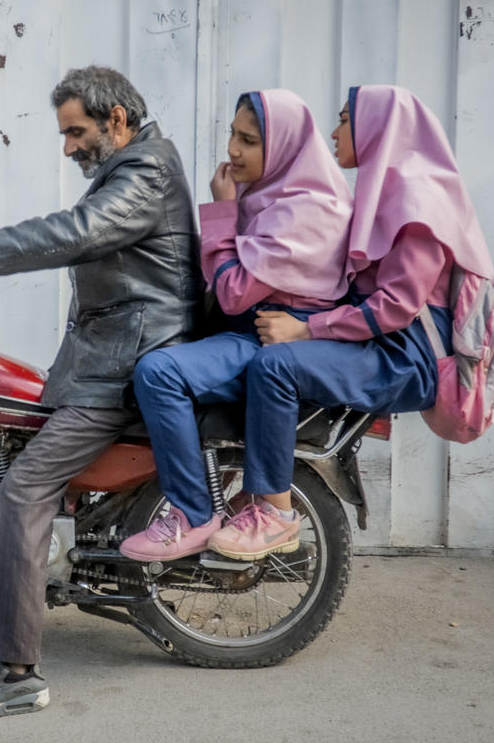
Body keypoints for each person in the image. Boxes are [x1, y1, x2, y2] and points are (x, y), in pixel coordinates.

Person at [0, 66, 202, 719]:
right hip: (105, 358)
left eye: (75, 132)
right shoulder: (131, 168)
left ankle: (13, 668)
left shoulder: (145, 171)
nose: (67, 147)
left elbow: (71, 233)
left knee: (27, 485)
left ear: (117, 119)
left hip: (129, 368)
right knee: (4, 445)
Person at [204, 84, 494, 560]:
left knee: (277, 365)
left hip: (407, 356)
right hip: (382, 343)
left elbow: (396, 306)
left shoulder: (418, 202)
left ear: (379, 128)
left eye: (344, 120)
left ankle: (275, 514)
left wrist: (306, 329)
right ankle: (251, 490)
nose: (334, 131)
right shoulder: (386, 189)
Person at [119, 89, 354, 562]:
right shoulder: (270, 196)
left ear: (285, 148)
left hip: (271, 335)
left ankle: (192, 513)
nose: (232, 149)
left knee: (159, 372)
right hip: (251, 329)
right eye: (232, 133)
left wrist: (222, 211)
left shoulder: (307, 211)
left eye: (248, 140)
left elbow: (231, 291)